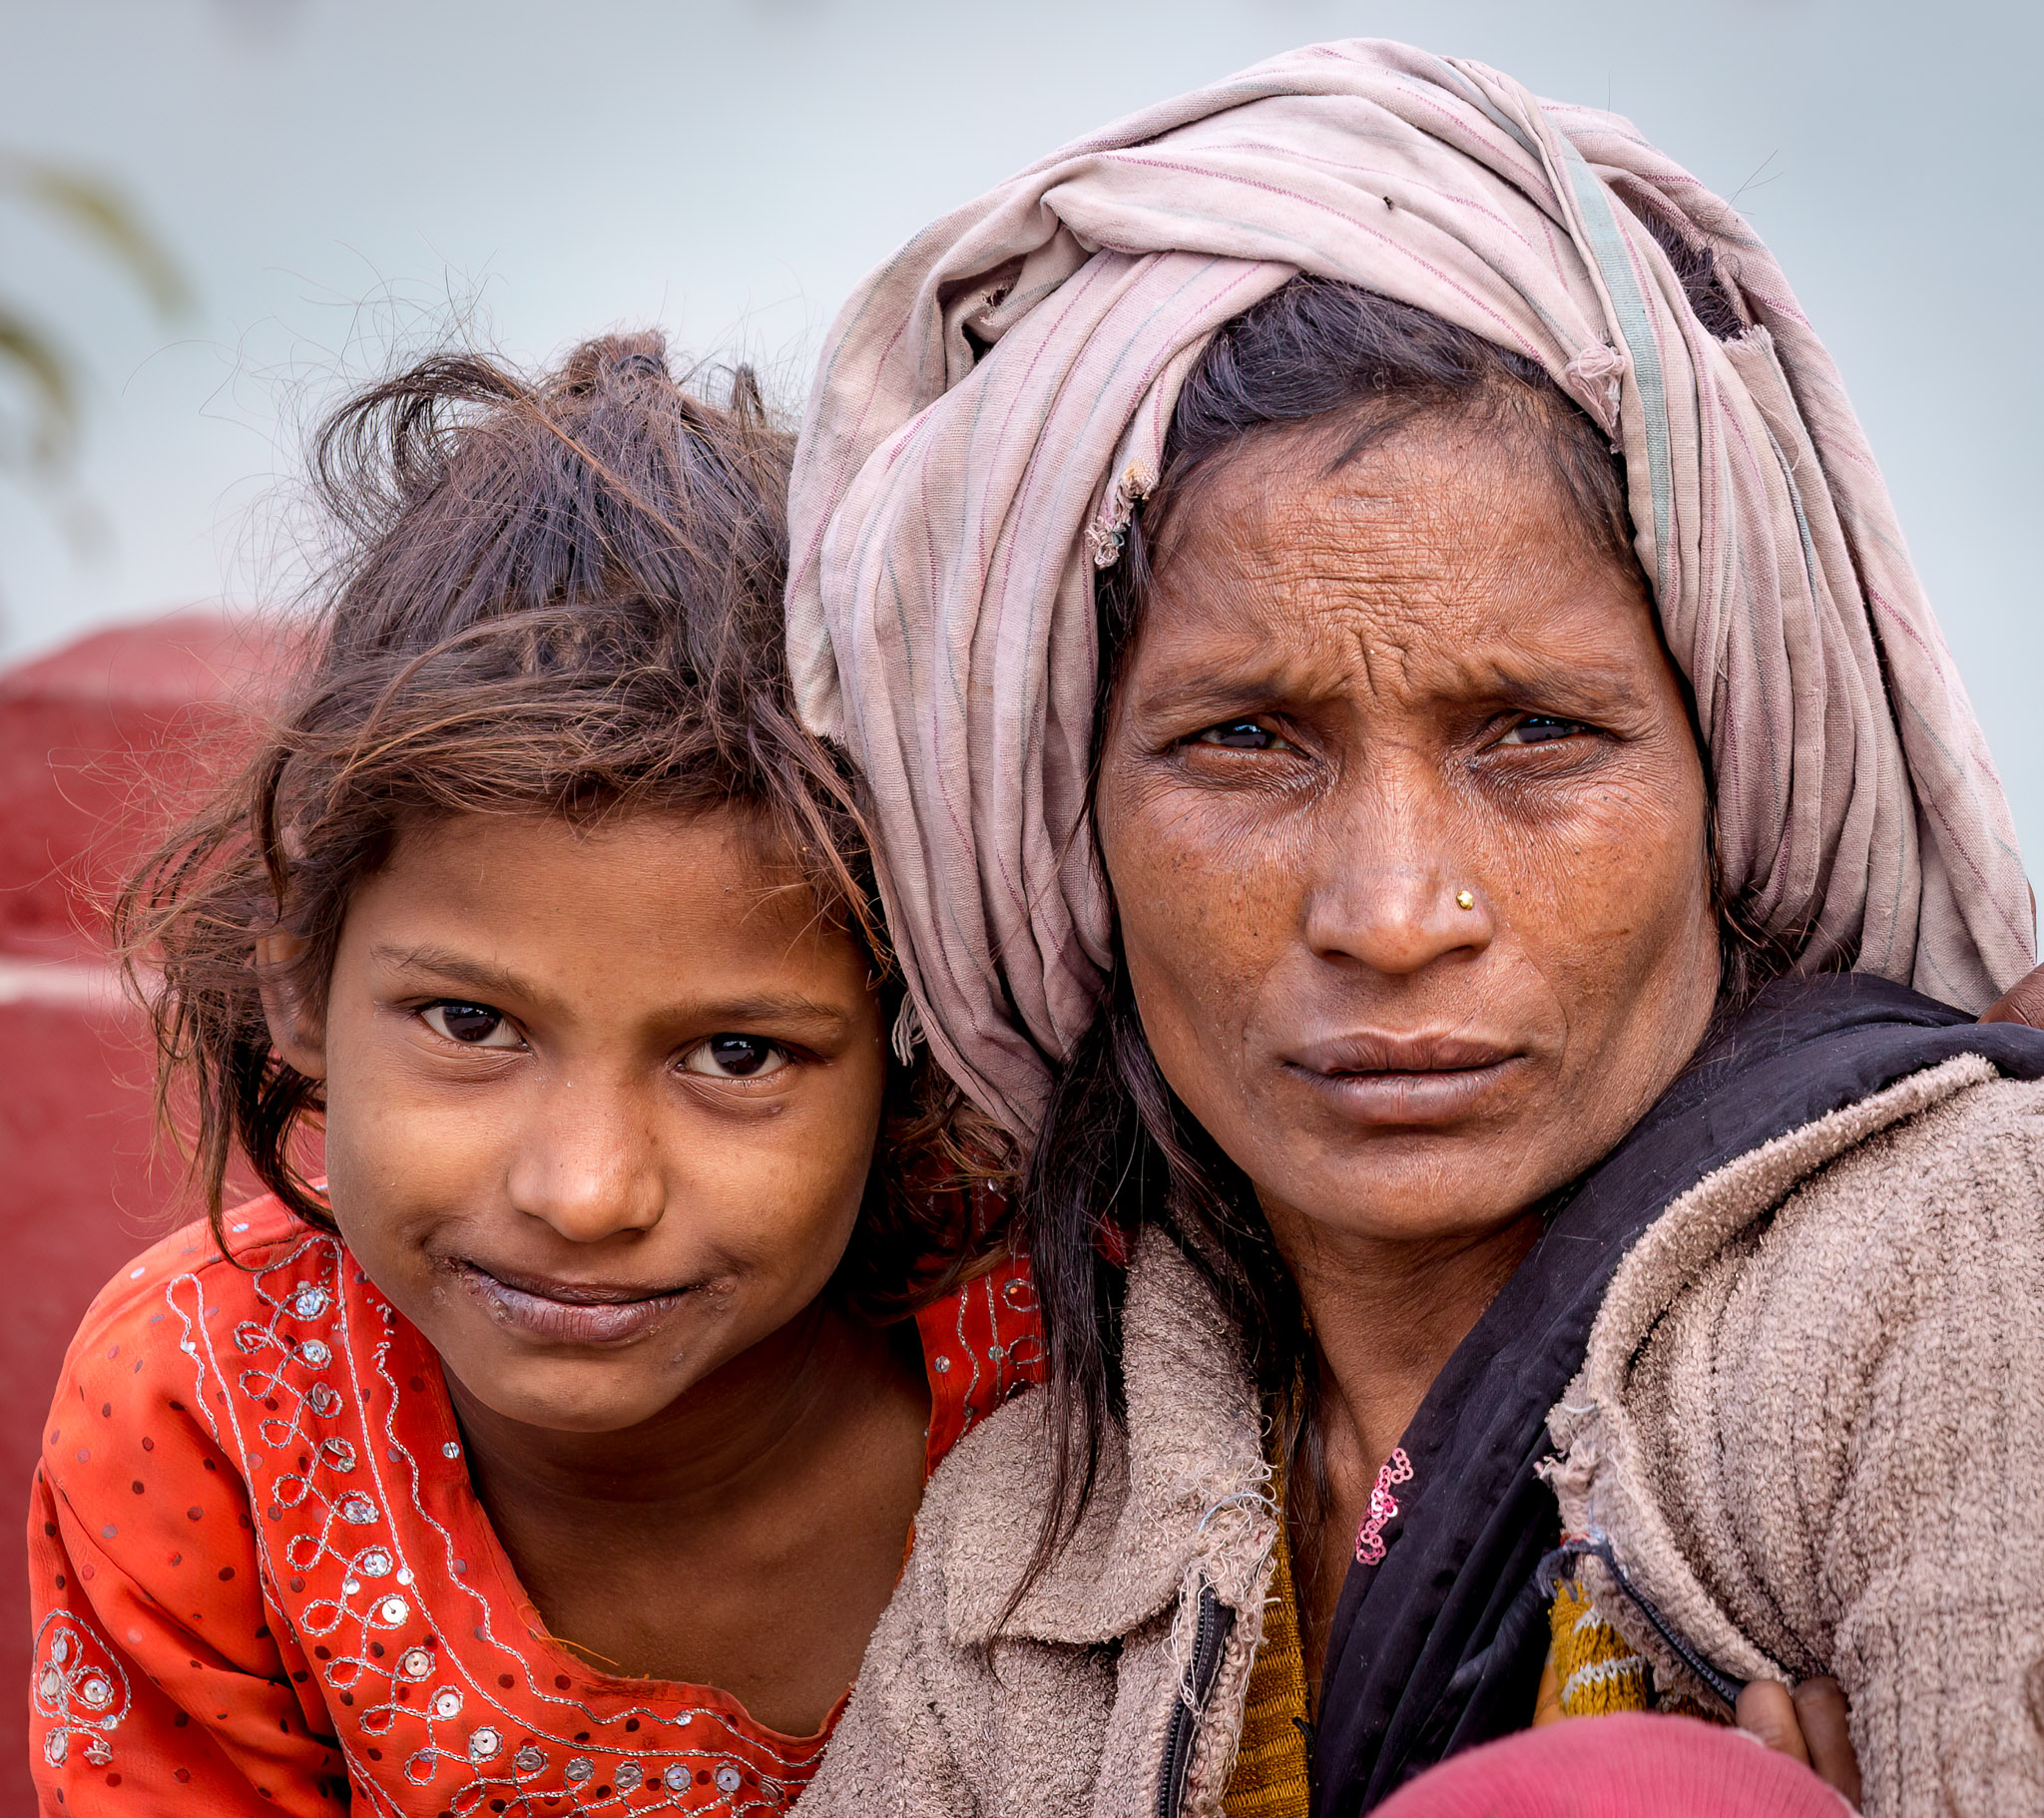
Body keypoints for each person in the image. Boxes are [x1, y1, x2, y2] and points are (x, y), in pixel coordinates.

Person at [779, 40, 2044, 1818]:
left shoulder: (1967, 1279)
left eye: (1537, 732)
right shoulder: (1026, 1553)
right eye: (1243, 742)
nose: (1391, 915)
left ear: (1724, 781)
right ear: (1075, 824)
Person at [26, 336, 1040, 1815]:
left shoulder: (1071, 1360)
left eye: (736, 1053)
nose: (585, 1190)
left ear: (908, 1045)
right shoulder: (206, 1414)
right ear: (299, 978)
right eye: (469, 1024)